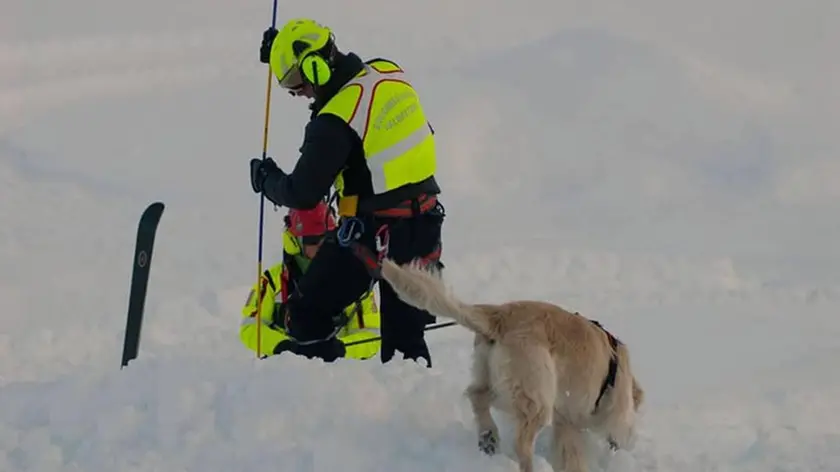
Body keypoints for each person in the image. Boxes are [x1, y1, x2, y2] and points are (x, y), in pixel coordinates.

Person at [248, 17, 446, 367]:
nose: (300, 93)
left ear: (316, 67)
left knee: (306, 314)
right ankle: (411, 407)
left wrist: (267, 179)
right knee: (406, 343)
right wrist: (282, 52)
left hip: (374, 234)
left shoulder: (334, 120)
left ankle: (325, 394)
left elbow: (302, 192)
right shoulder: (387, 71)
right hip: (425, 224)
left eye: (297, 82)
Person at [240, 201, 381, 361]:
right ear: (294, 242)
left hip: (335, 374)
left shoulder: (352, 280)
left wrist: (339, 349)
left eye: (327, 238)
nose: (321, 246)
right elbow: (250, 327)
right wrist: (284, 347)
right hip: (283, 370)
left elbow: (371, 336)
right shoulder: (273, 281)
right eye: (313, 240)